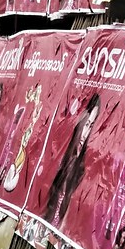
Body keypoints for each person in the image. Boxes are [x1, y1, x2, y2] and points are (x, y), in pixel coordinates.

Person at [44, 92, 102, 228]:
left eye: (91, 126)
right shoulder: (60, 153)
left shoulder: (81, 168)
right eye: (86, 124)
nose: (86, 132)